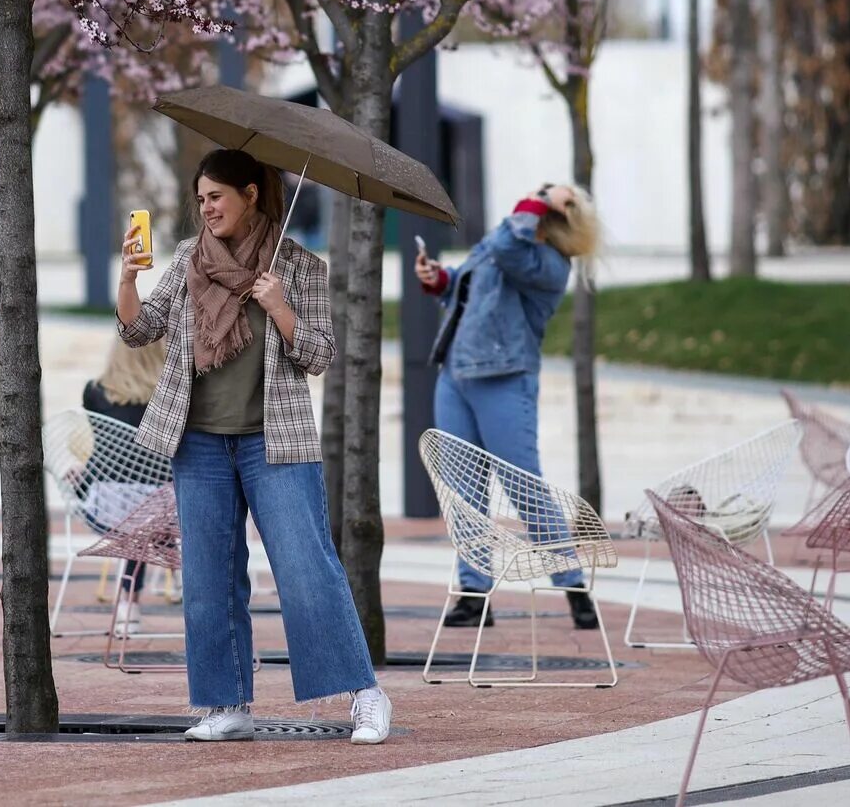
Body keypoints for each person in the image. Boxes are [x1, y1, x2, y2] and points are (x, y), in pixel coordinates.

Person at [118, 148, 390, 747]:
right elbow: (139, 330)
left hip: (277, 441)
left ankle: (365, 695)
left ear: (250, 194)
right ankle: (226, 702)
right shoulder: (190, 259)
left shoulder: (298, 267)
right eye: (200, 197)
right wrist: (129, 277)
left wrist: (279, 308)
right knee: (210, 579)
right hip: (200, 445)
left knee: (305, 569)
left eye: (216, 196)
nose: (206, 207)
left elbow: (318, 355)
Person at [415, 183, 604, 631]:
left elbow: (505, 246)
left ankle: (573, 586)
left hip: (504, 381)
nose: (531, 201)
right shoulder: (508, 243)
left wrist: (538, 201)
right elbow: (468, 289)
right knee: (463, 494)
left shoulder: (548, 264)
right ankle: (473, 593)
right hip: (456, 375)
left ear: (550, 219)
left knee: (525, 488)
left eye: (542, 201)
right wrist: (441, 280)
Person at [79, 337, 172, 630]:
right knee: (150, 513)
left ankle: (127, 603)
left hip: (103, 506)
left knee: (137, 521)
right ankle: (132, 599)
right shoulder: (170, 395)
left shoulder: (94, 392)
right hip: (160, 506)